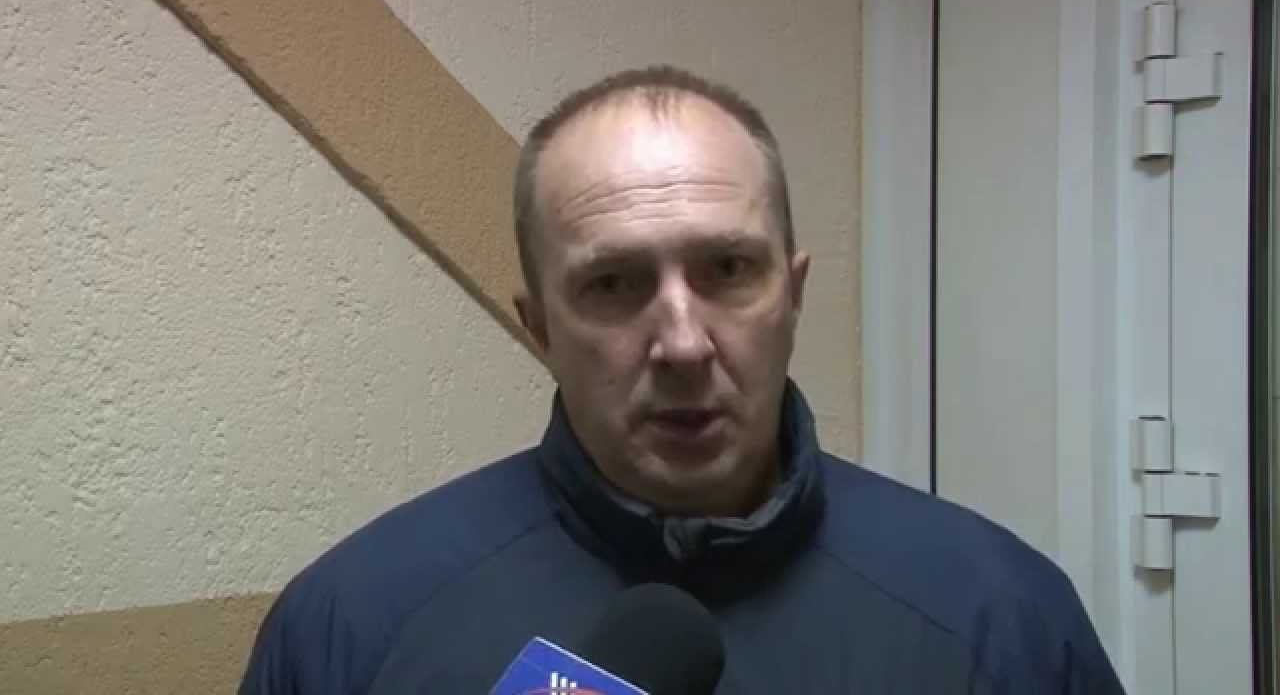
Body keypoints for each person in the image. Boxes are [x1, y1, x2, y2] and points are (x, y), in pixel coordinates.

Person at [239, 65, 1126, 694]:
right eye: (613, 284)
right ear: (539, 328)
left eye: (728, 270)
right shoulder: (354, 625)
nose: (683, 344)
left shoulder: (1000, 619)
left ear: (792, 295)